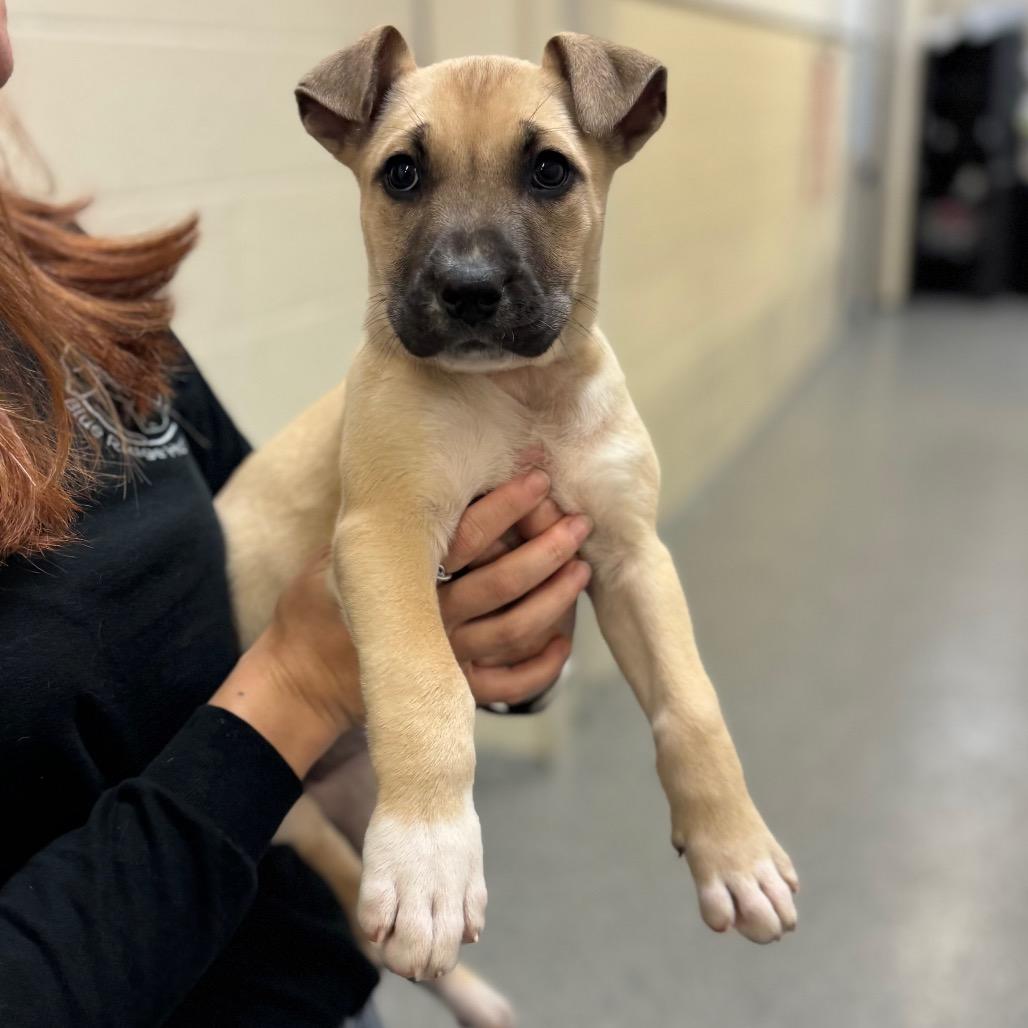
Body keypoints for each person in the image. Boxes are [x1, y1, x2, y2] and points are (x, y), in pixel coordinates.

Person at [0, 4, 590, 1023]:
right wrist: (304, 680)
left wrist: (489, 628)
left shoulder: (53, 279)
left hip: (311, 973)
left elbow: (259, 508)